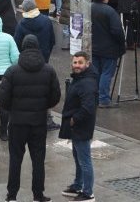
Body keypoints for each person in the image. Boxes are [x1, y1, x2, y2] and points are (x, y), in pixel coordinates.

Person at [0, 34, 61, 202]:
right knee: (38, 160)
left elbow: (2, 98)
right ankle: (38, 194)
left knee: (16, 159)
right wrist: (42, 105)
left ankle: (12, 195)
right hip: (38, 122)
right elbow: (56, 96)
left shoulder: (12, 70)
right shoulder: (48, 70)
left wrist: (13, 109)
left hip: (17, 122)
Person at [59, 52, 98, 202]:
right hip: (78, 127)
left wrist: (74, 120)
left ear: (87, 64)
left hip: (81, 127)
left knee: (84, 159)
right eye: (75, 62)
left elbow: (88, 107)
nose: (76, 65)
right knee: (78, 157)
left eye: (80, 63)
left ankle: (88, 193)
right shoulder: (80, 79)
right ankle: (78, 185)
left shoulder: (86, 83)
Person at [89, 0, 124, 108]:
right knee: (106, 73)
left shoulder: (89, 8)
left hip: (93, 46)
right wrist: (121, 45)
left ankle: (95, 96)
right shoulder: (110, 11)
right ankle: (103, 99)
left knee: (96, 72)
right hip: (108, 49)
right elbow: (117, 31)